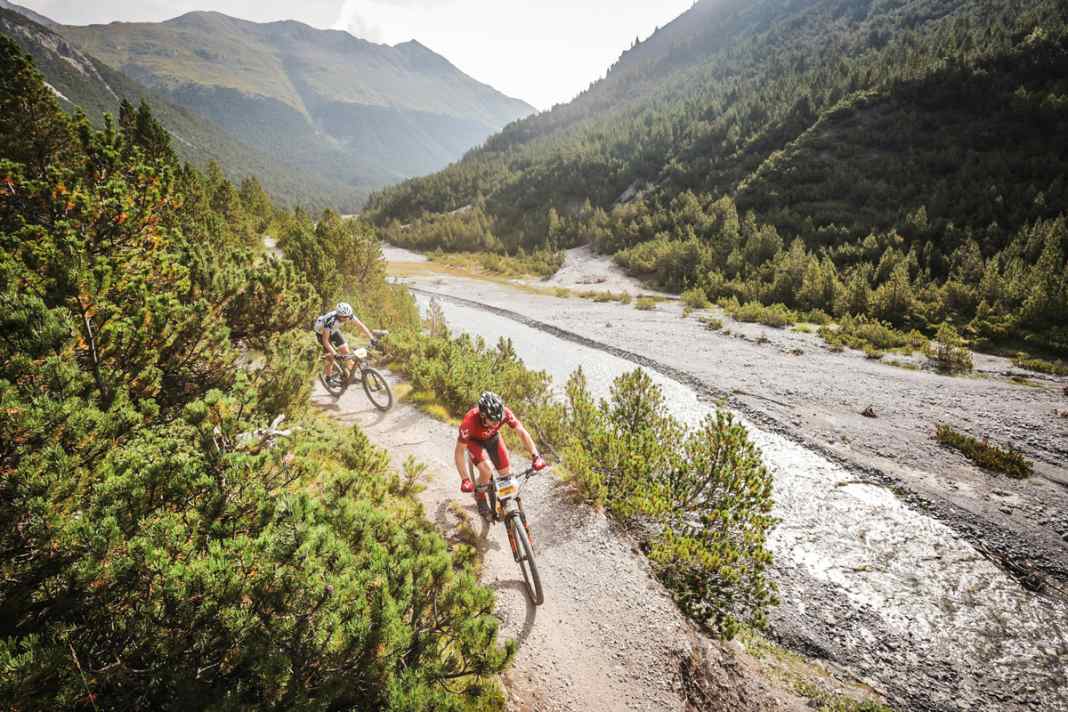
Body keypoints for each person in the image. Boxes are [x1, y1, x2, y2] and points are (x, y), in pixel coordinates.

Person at [455, 391, 546, 518]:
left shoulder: (504, 413)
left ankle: (506, 505)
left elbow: (521, 432)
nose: (496, 422)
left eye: (498, 419)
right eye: (492, 420)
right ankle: (480, 495)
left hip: (493, 438)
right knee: (486, 470)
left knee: (506, 474)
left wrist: (536, 456)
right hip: (474, 441)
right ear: (482, 415)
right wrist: (465, 479)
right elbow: (459, 452)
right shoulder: (469, 423)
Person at [314, 302, 375, 384]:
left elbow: (360, 326)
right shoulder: (330, 320)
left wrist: (372, 338)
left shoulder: (348, 315)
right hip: (322, 333)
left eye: (348, 316)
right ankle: (328, 378)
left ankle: (350, 374)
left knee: (346, 351)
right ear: (338, 315)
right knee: (330, 357)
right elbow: (325, 340)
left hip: (334, 330)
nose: (347, 318)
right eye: (344, 317)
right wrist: (335, 354)